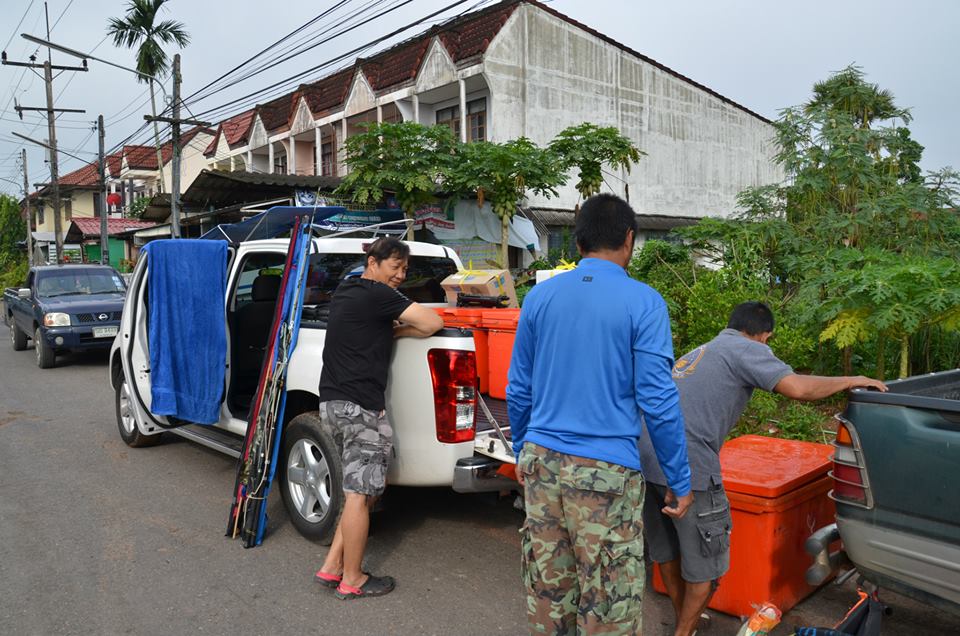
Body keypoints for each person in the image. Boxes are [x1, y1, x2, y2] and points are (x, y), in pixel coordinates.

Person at [637, 301, 888, 636]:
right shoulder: (746, 348)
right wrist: (852, 379)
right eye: (767, 341)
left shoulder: (704, 349)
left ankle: (686, 619)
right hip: (688, 462)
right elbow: (798, 388)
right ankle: (684, 632)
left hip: (646, 454)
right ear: (762, 335)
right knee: (707, 567)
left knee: (666, 549)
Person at [507, 193, 694, 635]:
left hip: (542, 463)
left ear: (578, 243)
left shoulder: (540, 297)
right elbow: (658, 400)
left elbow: (519, 390)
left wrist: (522, 449)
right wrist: (679, 480)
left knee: (550, 595)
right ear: (629, 239)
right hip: (606, 474)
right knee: (608, 602)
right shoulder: (643, 302)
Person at [313, 237, 443, 600]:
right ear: (373, 262)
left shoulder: (347, 289)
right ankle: (353, 578)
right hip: (359, 407)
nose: (400, 275)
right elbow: (432, 322)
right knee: (359, 494)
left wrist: (391, 328)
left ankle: (332, 566)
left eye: (404, 269)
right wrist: (401, 328)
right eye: (394, 267)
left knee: (361, 491)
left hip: (334, 404)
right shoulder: (378, 295)